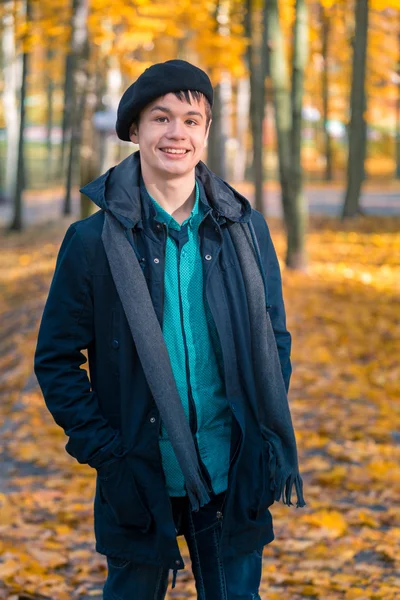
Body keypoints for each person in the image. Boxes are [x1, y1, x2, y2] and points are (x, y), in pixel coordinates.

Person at [34, 59, 306, 600]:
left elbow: (274, 336)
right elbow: (56, 360)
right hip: (137, 471)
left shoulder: (245, 228)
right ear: (134, 131)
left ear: (206, 132)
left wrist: (259, 423)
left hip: (232, 466)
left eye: (191, 119)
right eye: (160, 118)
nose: (176, 132)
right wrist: (106, 453)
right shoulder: (91, 242)